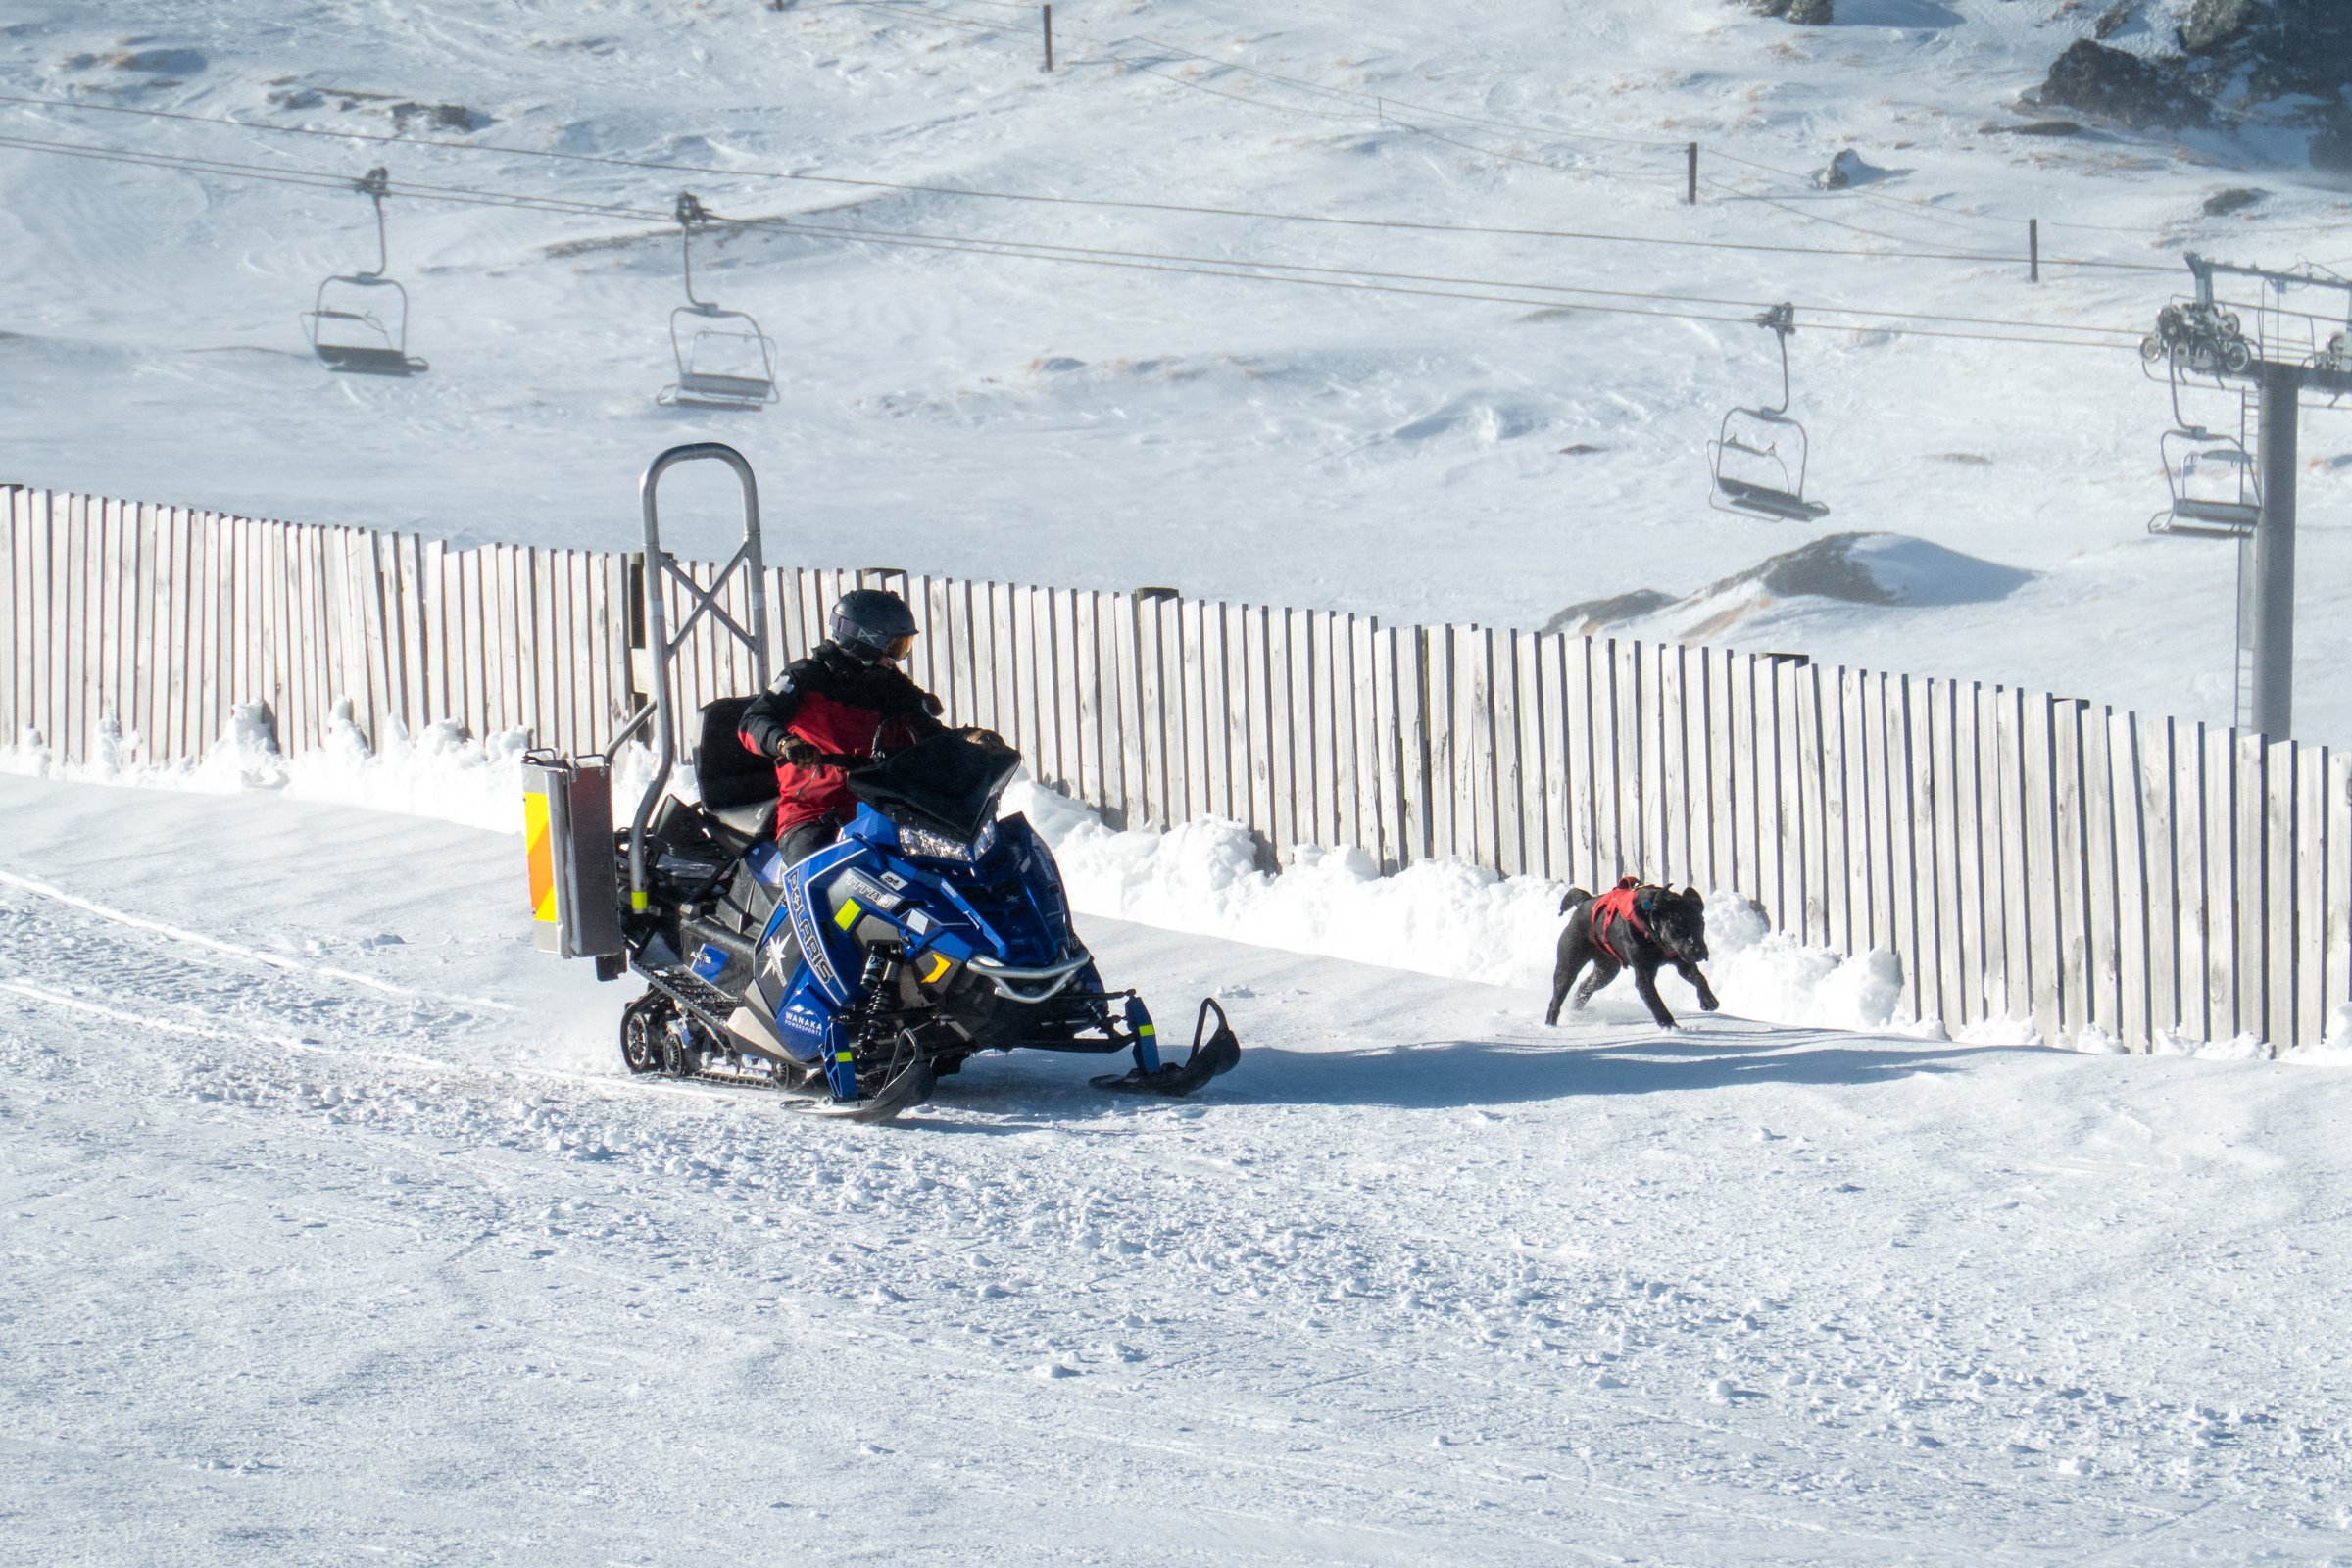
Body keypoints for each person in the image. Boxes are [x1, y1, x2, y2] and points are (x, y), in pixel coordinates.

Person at [738, 588, 946, 861]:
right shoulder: (805, 677)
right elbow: (752, 722)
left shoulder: (892, 685)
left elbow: (930, 734)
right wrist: (785, 742)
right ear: (864, 640)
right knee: (820, 877)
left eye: (902, 647)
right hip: (815, 812)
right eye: (894, 647)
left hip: (886, 810)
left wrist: (971, 742)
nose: (894, 659)